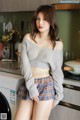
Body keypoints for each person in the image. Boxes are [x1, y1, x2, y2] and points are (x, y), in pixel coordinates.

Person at [15, 5, 64, 120]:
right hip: (28, 83)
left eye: (45, 19)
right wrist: (31, 87)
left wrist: (59, 95)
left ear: (51, 21)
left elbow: (57, 71)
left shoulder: (57, 44)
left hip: (46, 85)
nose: (40, 22)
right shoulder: (27, 38)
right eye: (38, 19)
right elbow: (24, 65)